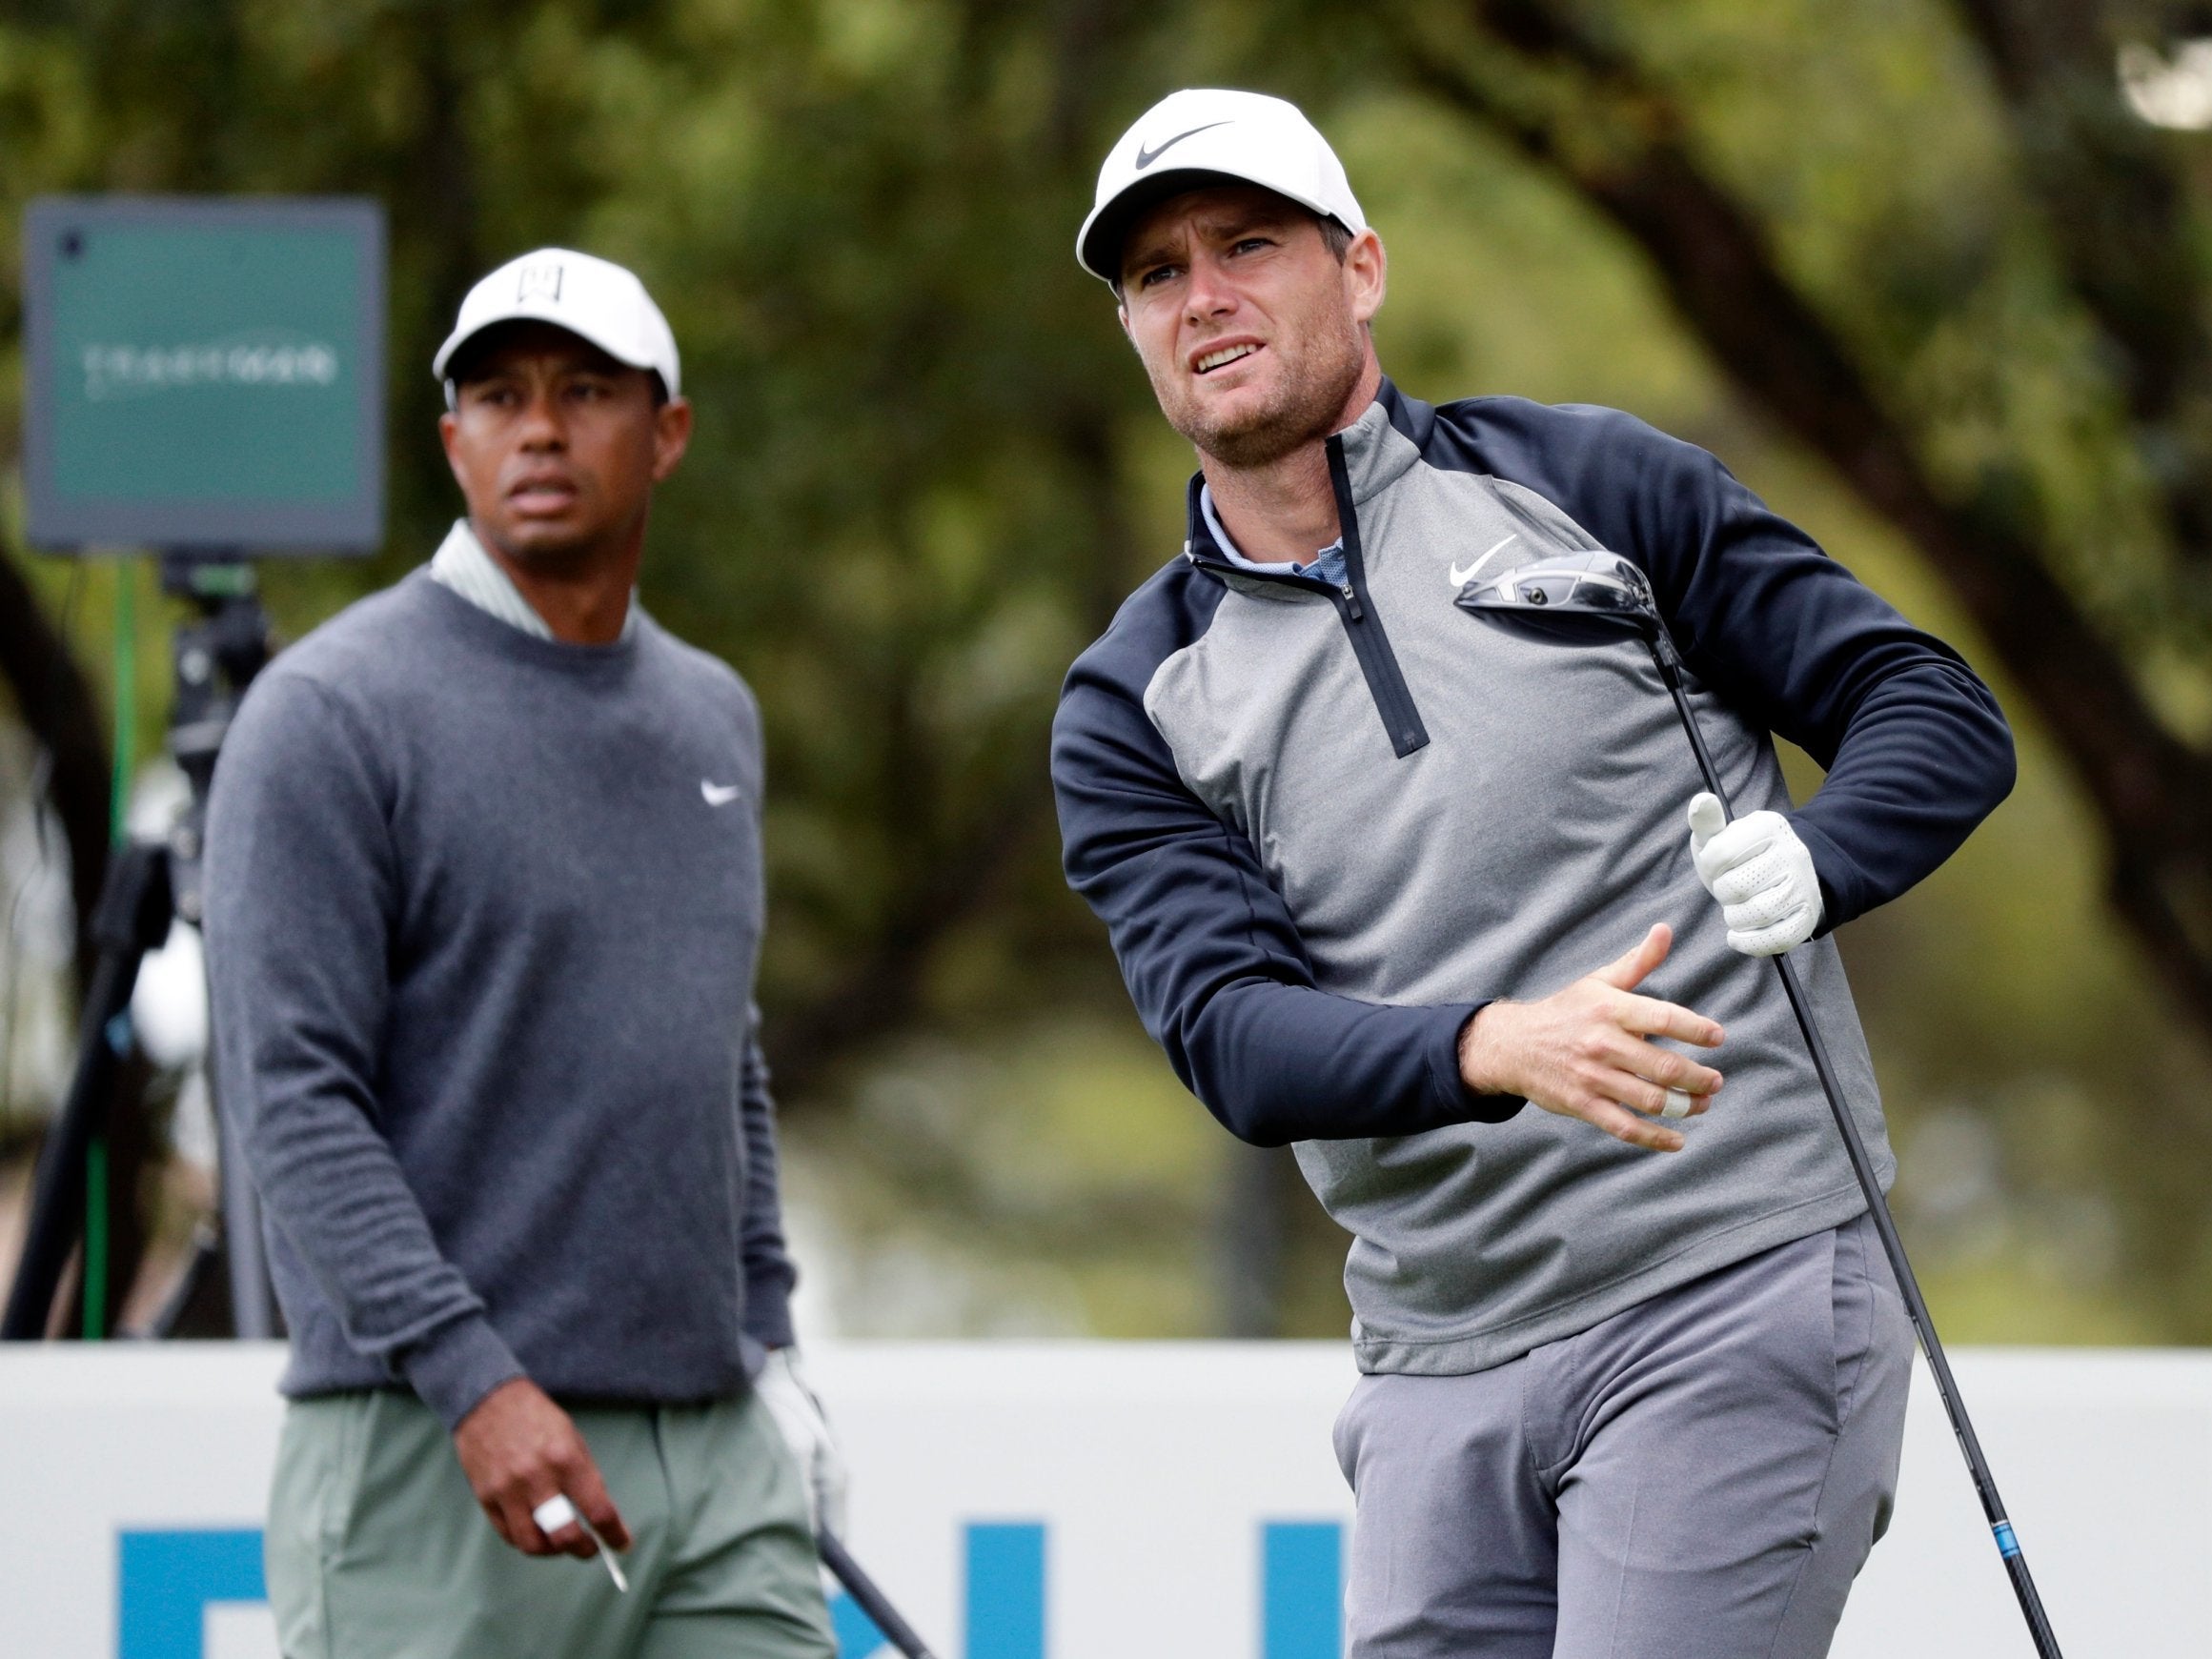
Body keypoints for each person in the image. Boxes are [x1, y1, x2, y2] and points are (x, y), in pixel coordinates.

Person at [1050, 90, 2016, 1658]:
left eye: (1246, 244)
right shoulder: (1132, 695)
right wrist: (1488, 1043)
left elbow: (1930, 709)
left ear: (1358, 268)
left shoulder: (1590, 485)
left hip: (1727, 1281)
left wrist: (1819, 853)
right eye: (1156, 274)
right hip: (1435, 1365)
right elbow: (1231, 1033)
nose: (1203, 295)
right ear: (1134, 332)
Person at [205, 249, 842, 1659]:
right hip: (437, 1451)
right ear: (454, 441)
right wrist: (471, 1380)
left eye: (583, 391)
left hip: (715, 1453)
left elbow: (716, 1049)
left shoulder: (710, 715)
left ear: (666, 431)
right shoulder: (327, 713)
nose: (538, 428)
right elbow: (290, 1098)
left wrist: (771, 1338)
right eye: (497, 396)